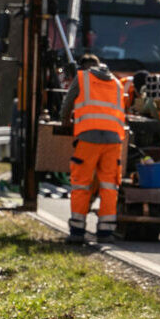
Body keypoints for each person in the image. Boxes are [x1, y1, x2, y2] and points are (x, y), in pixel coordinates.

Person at [60, 53, 125, 244]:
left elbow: (67, 104)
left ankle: (77, 231)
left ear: (84, 67)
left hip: (88, 137)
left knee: (81, 184)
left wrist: (65, 121)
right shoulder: (116, 82)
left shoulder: (82, 78)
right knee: (109, 186)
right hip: (113, 140)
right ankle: (106, 232)